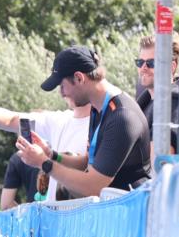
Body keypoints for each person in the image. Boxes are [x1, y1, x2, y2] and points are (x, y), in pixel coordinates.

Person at [17, 46, 152, 196]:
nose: (62, 94)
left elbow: (93, 187)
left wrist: (43, 163)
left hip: (133, 213)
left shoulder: (122, 117)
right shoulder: (98, 108)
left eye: (62, 86)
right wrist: (51, 154)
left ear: (79, 78)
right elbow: (88, 163)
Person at [0, 97, 91, 202]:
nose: (62, 91)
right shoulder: (59, 120)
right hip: (55, 221)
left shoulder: (107, 122)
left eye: (63, 82)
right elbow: (12, 119)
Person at [135, 34, 179, 154]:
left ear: (172, 67)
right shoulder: (142, 106)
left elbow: (161, 158)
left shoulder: (172, 101)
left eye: (151, 63)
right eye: (140, 62)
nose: (143, 68)